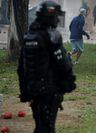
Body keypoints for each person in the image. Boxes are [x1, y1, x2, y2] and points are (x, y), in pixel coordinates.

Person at [17, 1, 76, 132]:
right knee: (47, 128)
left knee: (40, 125)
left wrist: (25, 91)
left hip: (33, 89)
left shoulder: (29, 36)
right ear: (50, 16)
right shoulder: (51, 35)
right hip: (48, 91)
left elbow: (21, 68)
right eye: (56, 16)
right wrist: (69, 82)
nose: (57, 20)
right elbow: (63, 64)